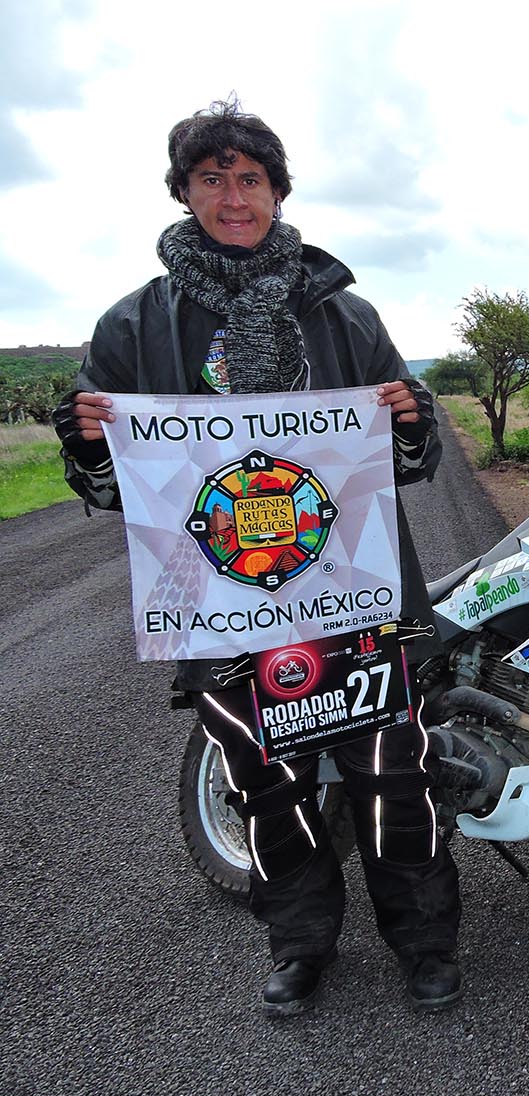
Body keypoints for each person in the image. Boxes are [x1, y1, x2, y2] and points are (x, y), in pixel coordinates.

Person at [52, 99, 463, 1018]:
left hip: (354, 595)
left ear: (277, 192)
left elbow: (411, 457)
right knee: (266, 785)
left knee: (394, 769)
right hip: (221, 605)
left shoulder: (345, 313)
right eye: (212, 179)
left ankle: (426, 944)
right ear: (185, 191)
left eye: (250, 180)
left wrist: (407, 419)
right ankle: (300, 943)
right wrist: (85, 441)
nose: (233, 197)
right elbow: (117, 485)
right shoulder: (132, 327)